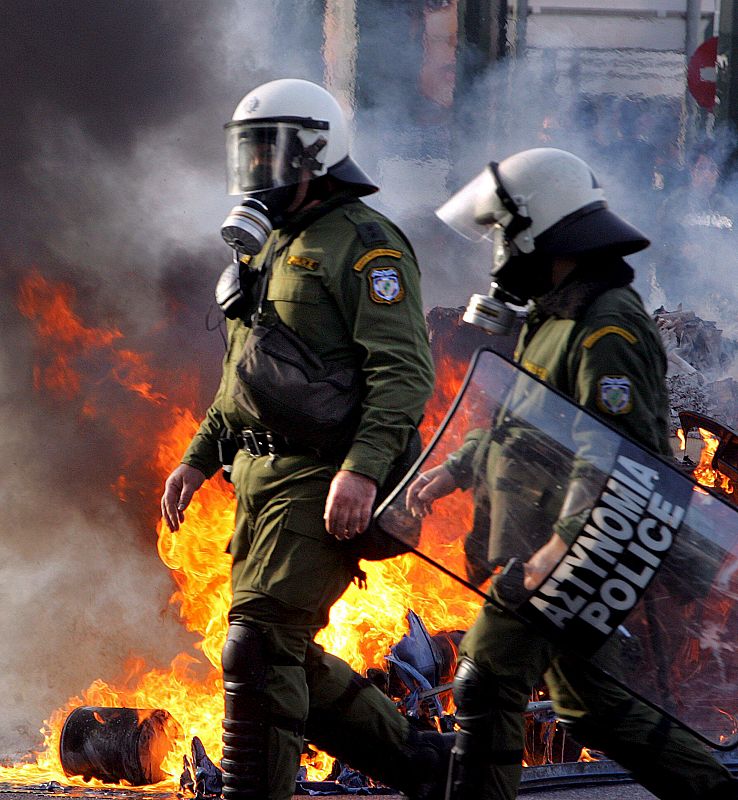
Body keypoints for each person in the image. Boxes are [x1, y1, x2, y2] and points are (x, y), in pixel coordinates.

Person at [406, 148, 738, 800]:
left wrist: (561, 547)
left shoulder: (608, 324)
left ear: (542, 230)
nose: (500, 249)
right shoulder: (553, 316)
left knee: (485, 676)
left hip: (589, 539)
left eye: (506, 233)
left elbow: (611, 453)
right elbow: (524, 424)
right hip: (557, 536)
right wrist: (458, 467)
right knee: (592, 706)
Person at [160, 78, 445, 800]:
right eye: (249, 151)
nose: (256, 167)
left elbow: (404, 374)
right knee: (275, 653)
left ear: (315, 154)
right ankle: (426, 768)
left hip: (321, 479)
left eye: (270, 151)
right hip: (257, 480)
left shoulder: (366, 246)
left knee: (258, 644)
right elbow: (245, 376)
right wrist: (198, 459)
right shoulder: (269, 246)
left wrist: (363, 471)